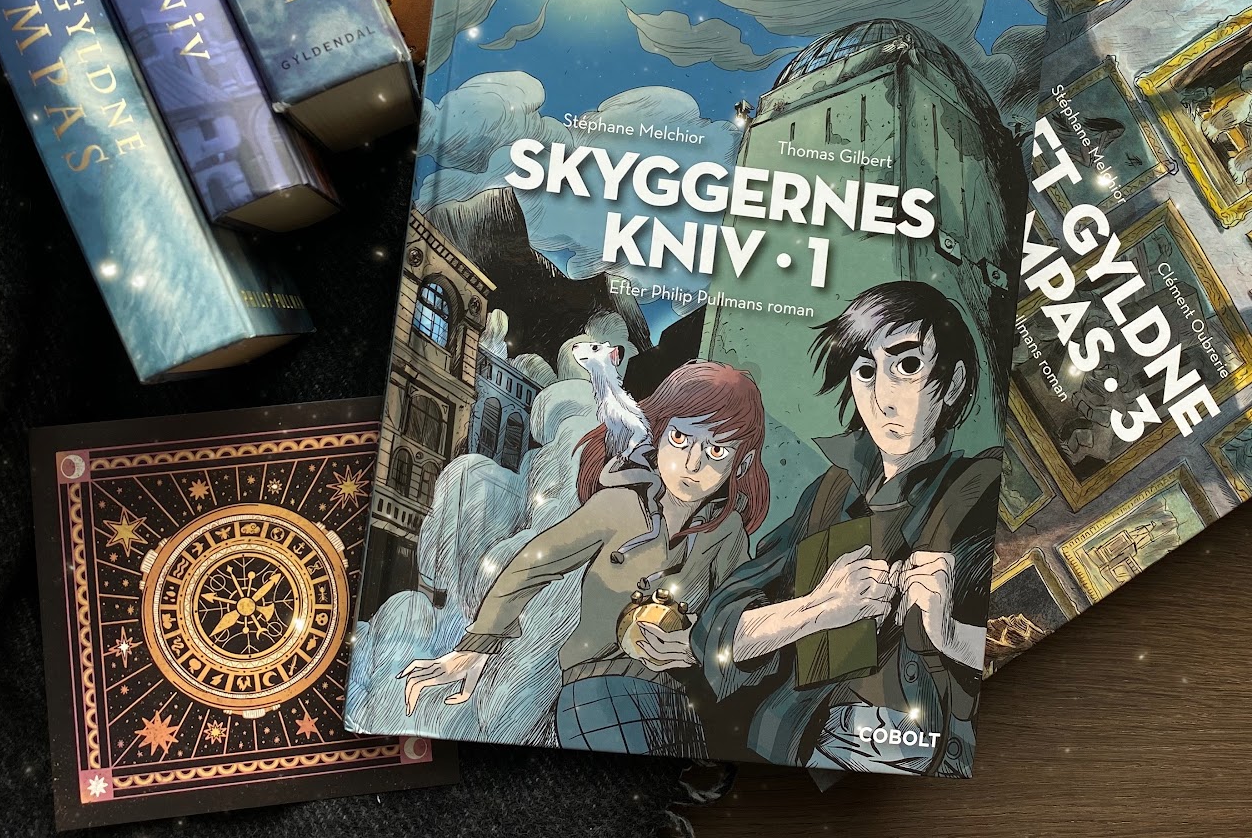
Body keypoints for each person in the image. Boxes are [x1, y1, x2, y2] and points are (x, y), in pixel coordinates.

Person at [639, 281, 1000, 775]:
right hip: (794, 737)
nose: (883, 398)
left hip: (916, 755)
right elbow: (727, 617)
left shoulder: (977, 490)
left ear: (952, 383)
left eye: (907, 366)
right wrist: (820, 608)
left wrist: (950, 633)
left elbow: (1016, 637)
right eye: (866, 372)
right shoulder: (832, 490)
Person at [399, 360, 770, 757]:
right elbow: (532, 564)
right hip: (593, 688)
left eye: (716, 450)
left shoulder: (727, 532)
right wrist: (477, 645)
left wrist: (697, 641)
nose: (692, 464)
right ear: (658, 432)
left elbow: (742, 613)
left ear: (742, 463)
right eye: (680, 438)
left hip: (673, 701)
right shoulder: (619, 505)